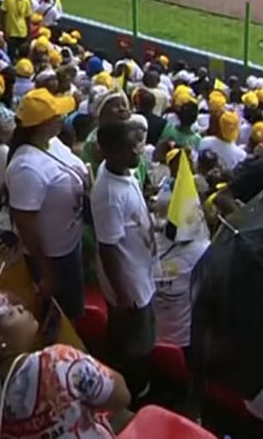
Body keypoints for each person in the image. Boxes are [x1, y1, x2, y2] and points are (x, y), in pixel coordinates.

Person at [0, 293, 130, 439]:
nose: (20, 308)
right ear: (1, 344)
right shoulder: (58, 363)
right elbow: (121, 397)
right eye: (10, 313)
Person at [5, 87, 86, 321]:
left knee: (73, 303)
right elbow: (25, 223)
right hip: (53, 257)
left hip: (69, 242)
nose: (62, 118)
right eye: (56, 116)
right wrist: (46, 272)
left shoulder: (52, 142)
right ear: (42, 125)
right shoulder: (26, 169)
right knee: (61, 314)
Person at [91, 120, 157, 394]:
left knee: (130, 335)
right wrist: (123, 293)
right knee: (135, 342)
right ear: (109, 151)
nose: (137, 151)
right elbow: (108, 248)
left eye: (137, 145)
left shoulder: (123, 171)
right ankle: (134, 390)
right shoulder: (108, 194)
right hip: (130, 282)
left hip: (139, 270)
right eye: (128, 148)